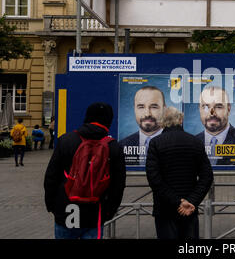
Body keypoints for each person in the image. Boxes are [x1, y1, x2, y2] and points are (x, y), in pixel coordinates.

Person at [44, 102, 126, 239]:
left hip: (65, 211)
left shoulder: (66, 140)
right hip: (95, 214)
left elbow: (51, 177)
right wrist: (109, 212)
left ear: (87, 117)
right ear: (108, 120)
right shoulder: (113, 147)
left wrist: (52, 206)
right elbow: (118, 186)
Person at [146, 106, 213, 239]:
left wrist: (177, 201)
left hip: (165, 209)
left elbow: (154, 179)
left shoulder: (155, 143)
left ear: (162, 122)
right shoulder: (195, 142)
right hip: (189, 210)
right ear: (181, 120)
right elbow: (207, 176)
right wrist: (191, 201)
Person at [195, 86, 235, 165]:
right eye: (205, 107)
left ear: (228, 109)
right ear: (199, 109)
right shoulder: (192, 142)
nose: (212, 113)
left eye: (218, 107)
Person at [119, 86, 166, 166]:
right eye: (141, 107)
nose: (147, 114)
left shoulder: (178, 144)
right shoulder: (121, 145)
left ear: (164, 109)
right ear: (134, 109)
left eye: (154, 107)